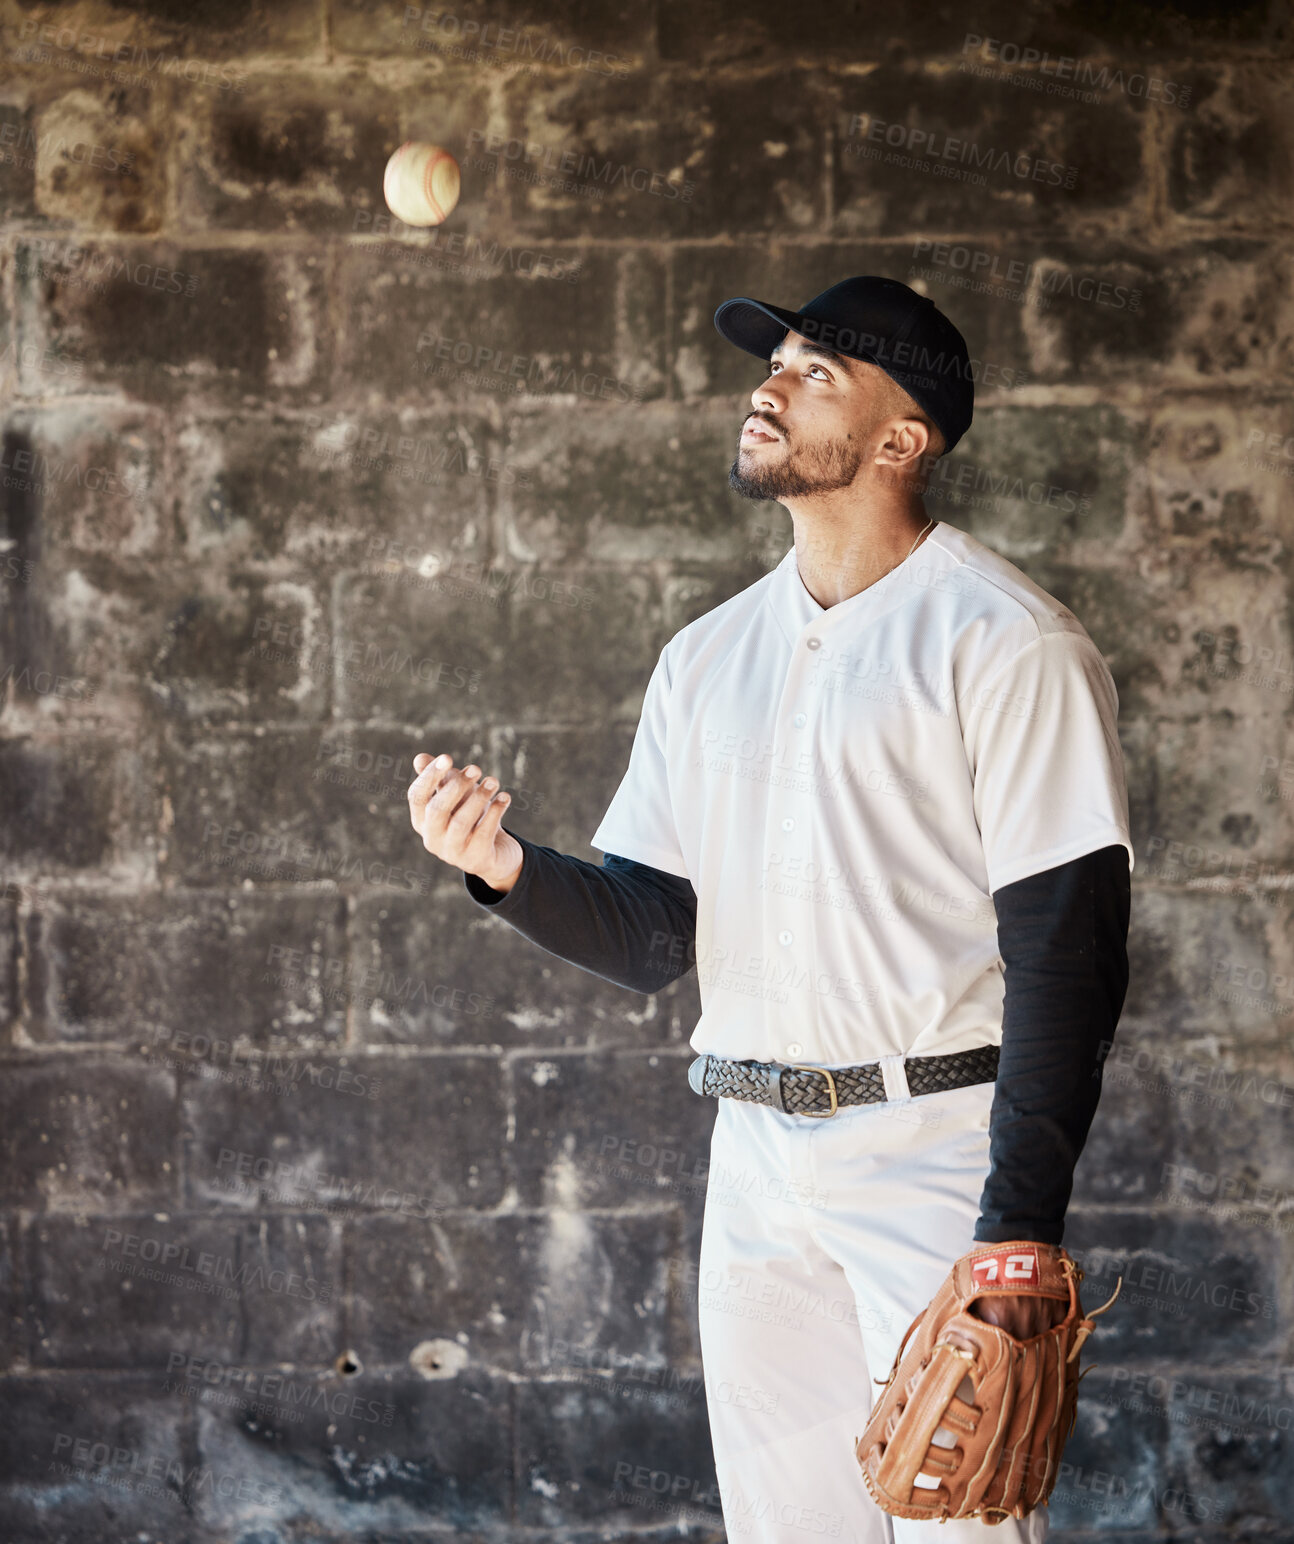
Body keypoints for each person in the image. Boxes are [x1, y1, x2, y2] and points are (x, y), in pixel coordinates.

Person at [407, 276, 1133, 1542]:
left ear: (902, 440)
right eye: (775, 361)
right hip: (754, 1159)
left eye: (815, 372)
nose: (770, 384)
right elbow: (649, 935)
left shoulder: (1008, 643)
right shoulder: (706, 656)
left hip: (935, 1155)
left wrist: (1017, 1229)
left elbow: (1068, 958)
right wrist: (505, 867)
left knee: (956, 1527)